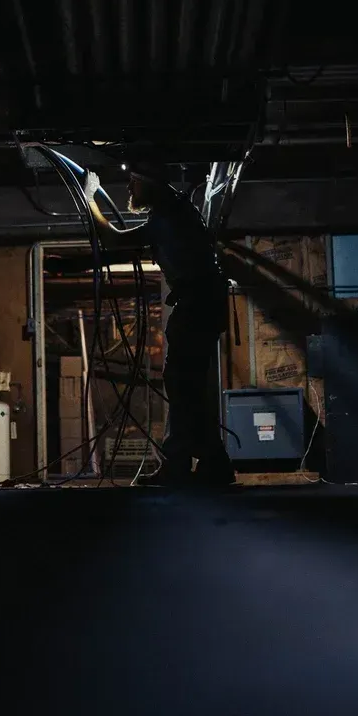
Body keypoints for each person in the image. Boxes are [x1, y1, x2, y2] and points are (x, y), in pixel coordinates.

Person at [81, 159, 236, 488]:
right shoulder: (175, 213)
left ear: (149, 183)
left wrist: (90, 197)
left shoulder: (166, 218)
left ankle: (186, 462)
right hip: (201, 305)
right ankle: (206, 462)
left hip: (196, 307)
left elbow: (111, 238)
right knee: (187, 386)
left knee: (182, 384)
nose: (129, 189)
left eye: (133, 182)